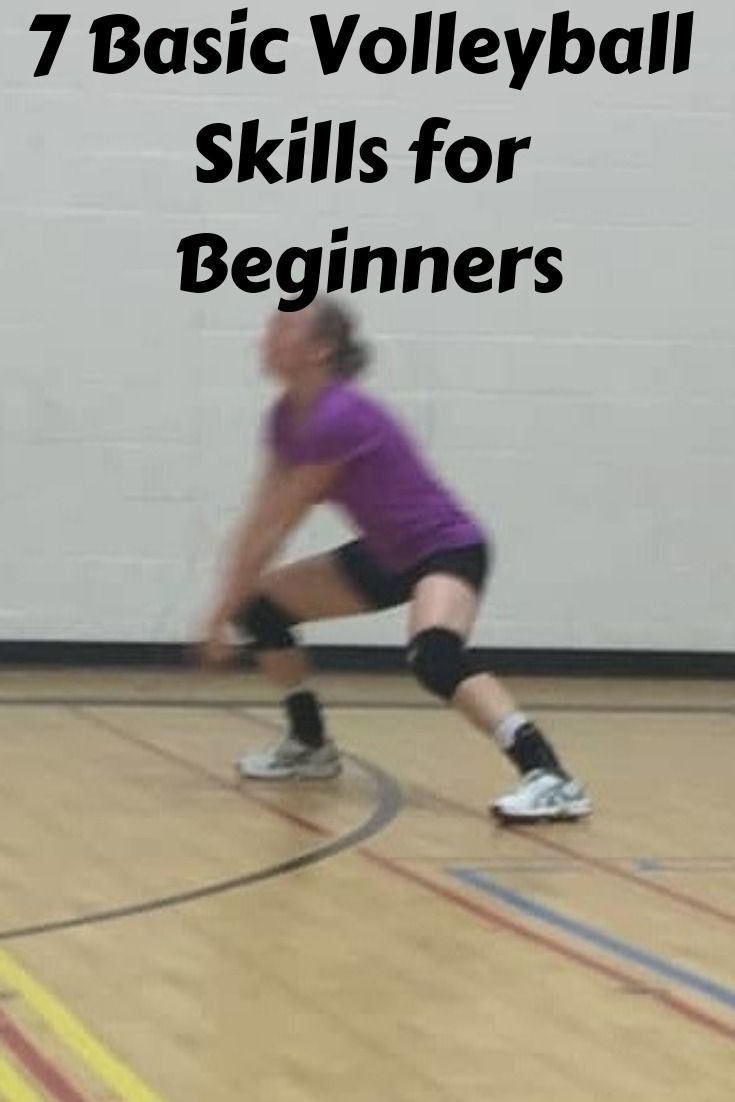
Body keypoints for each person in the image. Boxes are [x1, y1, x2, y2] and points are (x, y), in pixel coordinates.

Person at [200, 297, 591, 822]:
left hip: (446, 547)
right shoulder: (284, 418)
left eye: (285, 327)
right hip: (386, 553)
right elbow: (257, 518)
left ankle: (549, 775)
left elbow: (279, 525)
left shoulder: (339, 417)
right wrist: (229, 605)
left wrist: (216, 615)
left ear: (320, 349)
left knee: (434, 655)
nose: (268, 336)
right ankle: (310, 746)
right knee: (261, 607)